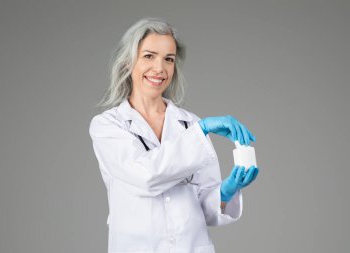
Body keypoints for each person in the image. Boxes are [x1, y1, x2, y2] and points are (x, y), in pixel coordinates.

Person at [89, 17, 259, 253]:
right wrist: (201, 131)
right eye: (149, 56)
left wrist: (226, 191)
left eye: (168, 59)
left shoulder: (190, 123)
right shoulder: (108, 126)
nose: (159, 68)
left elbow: (204, 209)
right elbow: (147, 176)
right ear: (128, 62)